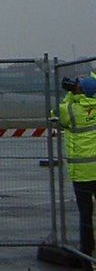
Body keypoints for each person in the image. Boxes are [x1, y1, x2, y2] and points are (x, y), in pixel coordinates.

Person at [58, 74, 96, 259]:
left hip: (82, 173)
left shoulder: (72, 109)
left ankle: (87, 251)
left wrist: (70, 93)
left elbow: (59, 114)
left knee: (86, 215)